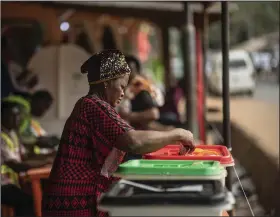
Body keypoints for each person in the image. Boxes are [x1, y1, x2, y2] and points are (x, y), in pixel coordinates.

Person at [42, 50, 195, 217]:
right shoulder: (93, 106)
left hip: (72, 199)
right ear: (107, 82)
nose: (123, 92)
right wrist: (178, 134)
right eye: (122, 86)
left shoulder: (94, 105)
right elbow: (132, 141)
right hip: (72, 203)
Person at [1, 101, 51, 216]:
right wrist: (45, 162)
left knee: (42, 191)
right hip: (2, 185)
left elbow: (25, 157)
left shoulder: (12, 133)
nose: (16, 119)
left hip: (11, 182)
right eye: (12, 115)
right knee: (28, 202)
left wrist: (49, 157)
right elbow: (16, 166)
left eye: (18, 115)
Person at [3, 90, 57, 155]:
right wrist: (36, 142)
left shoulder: (26, 108)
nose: (44, 111)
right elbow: (14, 134)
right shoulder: (21, 109)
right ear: (38, 100)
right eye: (45, 106)